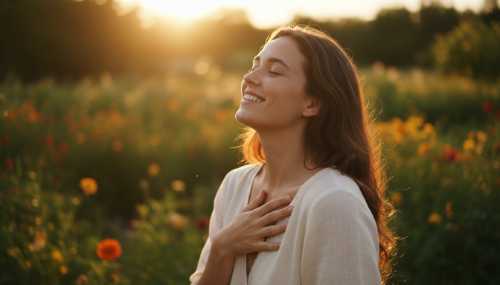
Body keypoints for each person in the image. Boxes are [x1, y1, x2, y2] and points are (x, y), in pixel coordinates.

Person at [189, 25, 397, 285]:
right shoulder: (235, 185)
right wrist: (222, 249)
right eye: (256, 65)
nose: (250, 77)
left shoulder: (335, 202)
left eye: (274, 71)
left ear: (312, 104)